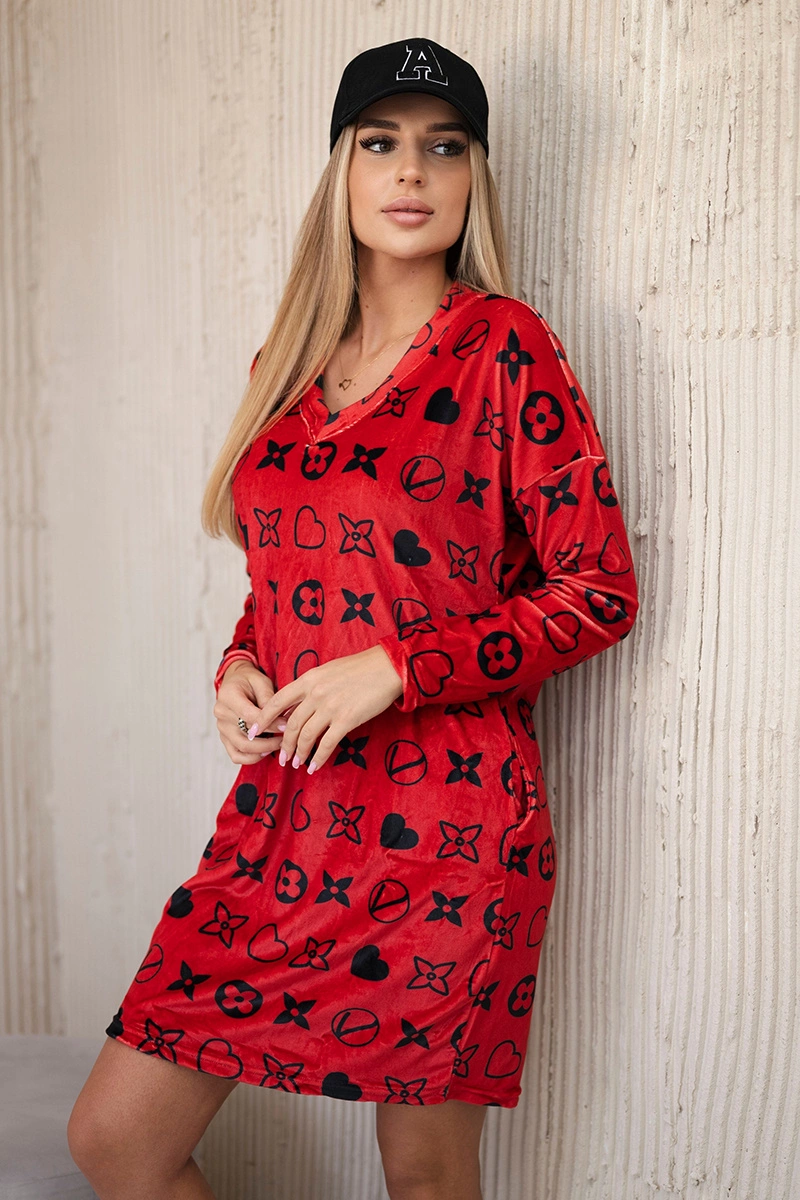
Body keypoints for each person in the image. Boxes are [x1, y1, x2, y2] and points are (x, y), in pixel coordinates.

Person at [68, 36, 639, 1200]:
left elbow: (596, 591)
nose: (411, 171)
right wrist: (239, 664)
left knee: (422, 1172)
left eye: (444, 146)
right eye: (379, 143)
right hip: (286, 813)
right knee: (116, 1141)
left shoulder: (503, 346)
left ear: (475, 175)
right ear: (341, 168)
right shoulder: (285, 362)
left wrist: (395, 667)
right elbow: (285, 573)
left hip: (449, 831)